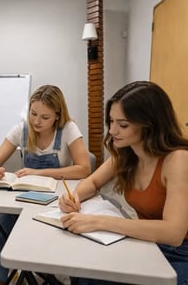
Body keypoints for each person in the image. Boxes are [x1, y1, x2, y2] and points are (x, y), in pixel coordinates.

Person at [59, 81, 188, 285]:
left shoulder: (178, 159)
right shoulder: (127, 153)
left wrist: (99, 221)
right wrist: (74, 196)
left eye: (123, 125)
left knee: (95, 278)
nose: (112, 131)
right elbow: (92, 181)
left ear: (150, 124)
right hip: (147, 242)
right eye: (111, 121)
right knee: (85, 267)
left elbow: (174, 233)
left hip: (180, 254)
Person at [0, 84, 91, 285]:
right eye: (33, 113)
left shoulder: (69, 129)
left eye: (45, 117)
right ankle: (1, 280)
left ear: (57, 116)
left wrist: (40, 172)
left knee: (76, 232)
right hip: (25, 198)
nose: (36, 121)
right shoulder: (22, 129)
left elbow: (84, 169)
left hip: (58, 200)